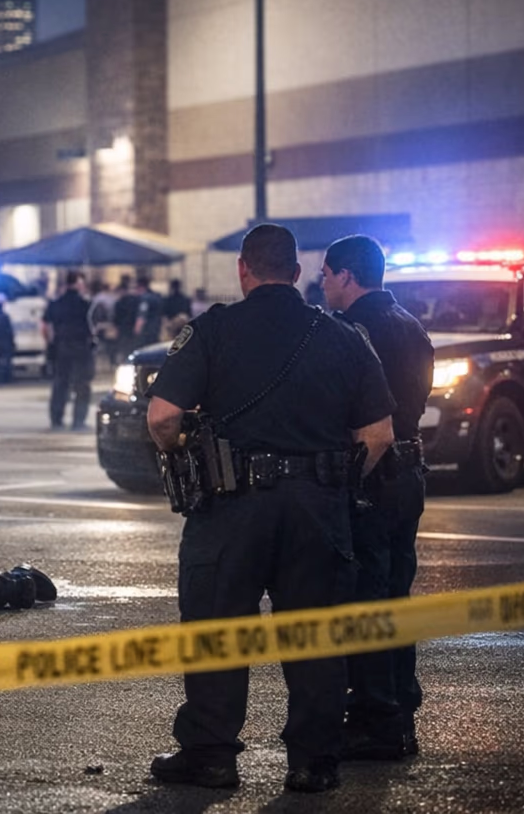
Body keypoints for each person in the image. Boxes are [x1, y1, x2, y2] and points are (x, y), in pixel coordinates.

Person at [145, 223, 396, 794]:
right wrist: (332, 483)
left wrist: (185, 455)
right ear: (299, 273)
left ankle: (211, 756)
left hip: (230, 508)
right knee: (315, 635)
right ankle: (314, 761)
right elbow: (378, 433)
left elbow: (162, 417)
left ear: (243, 269)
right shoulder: (343, 336)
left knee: (216, 628)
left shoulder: (211, 331)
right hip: (318, 508)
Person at [321, 234, 434, 761]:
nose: (321, 284)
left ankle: (374, 718)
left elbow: (364, 422)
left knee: (364, 597)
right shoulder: (411, 324)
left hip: (372, 473)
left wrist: (352, 481)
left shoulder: (351, 331)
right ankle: (400, 709)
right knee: (394, 592)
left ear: (347, 276)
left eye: (325, 274)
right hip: (410, 473)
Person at [42, 271, 95, 431]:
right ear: (78, 283)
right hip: (80, 348)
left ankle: (56, 419)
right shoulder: (85, 304)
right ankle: (78, 420)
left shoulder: (55, 303)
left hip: (61, 347)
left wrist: (51, 343)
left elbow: (45, 326)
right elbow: (92, 327)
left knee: (60, 384)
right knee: (82, 385)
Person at [111, 276, 142, 362]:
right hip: (133, 328)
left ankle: (126, 364)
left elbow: (116, 318)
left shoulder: (119, 303)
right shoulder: (135, 300)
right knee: (133, 348)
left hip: (123, 329)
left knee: (124, 349)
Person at [136, 278, 165, 346]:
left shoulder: (145, 298)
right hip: (156, 327)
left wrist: (137, 327)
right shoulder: (157, 296)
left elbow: (142, 314)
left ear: (141, 287)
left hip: (147, 329)